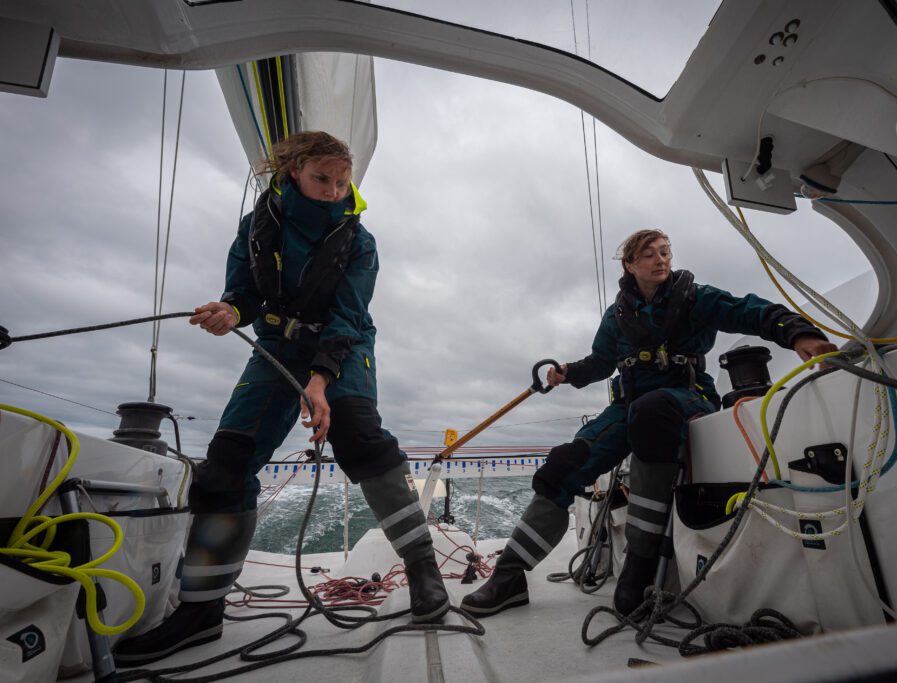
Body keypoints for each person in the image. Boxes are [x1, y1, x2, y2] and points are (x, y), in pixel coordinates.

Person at [114, 132, 449, 665]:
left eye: (343, 181)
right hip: (276, 346)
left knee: (362, 441)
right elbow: (243, 294)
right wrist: (229, 312)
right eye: (322, 178)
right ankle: (200, 614)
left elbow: (349, 314)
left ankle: (425, 573)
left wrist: (320, 381)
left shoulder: (359, 240)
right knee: (227, 463)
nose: (334, 190)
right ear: (293, 170)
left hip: (342, 344)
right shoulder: (256, 226)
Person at [460, 228, 836, 618]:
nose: (661, 260)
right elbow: (601, 363)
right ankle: (509, 577)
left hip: (688, 398)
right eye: (650, 255)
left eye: (665, 252)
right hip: (628, 407)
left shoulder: (696, 298)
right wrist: (567, 372)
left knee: (651, 413)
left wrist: (797, 332)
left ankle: (636, 572)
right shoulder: (618, 314)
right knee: (563, 464)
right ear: (630, 265)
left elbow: (750, 311)